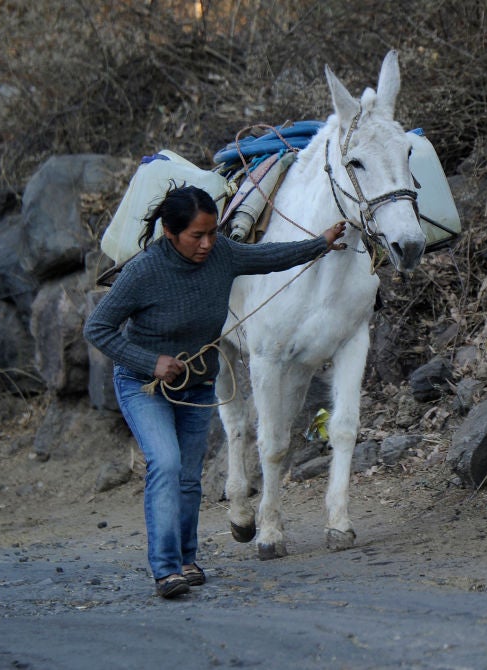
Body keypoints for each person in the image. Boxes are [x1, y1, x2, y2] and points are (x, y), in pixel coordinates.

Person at [84, 184, 346, 598]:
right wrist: (151, 362)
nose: (207, 244)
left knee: (189, 477)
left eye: (211, 233)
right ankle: (166, 569)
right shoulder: (144, 272)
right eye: (196, 236)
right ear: (170, 232)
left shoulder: (221, 253)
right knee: (166, 465)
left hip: (198, 382)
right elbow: (97, 328)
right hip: (144, 385)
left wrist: (320, 243)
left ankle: (187, 560)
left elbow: (268, 257)